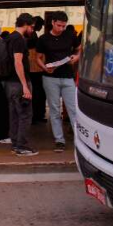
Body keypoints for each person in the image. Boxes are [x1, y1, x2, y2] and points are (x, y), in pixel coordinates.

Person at [36, 11, 81, 152]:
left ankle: (79, 140)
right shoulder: (43, 39)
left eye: (63, 26)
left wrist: (76, 58)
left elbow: (79, 50)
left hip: (68, 77)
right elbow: (38, 57)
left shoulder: (70, 35)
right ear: (53, 23)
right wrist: (44, 67)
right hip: (50, 78)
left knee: (73, 109)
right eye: (59, 25)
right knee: (54, 110)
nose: (61, 28)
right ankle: (59, 140)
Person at [6, 13, 38, 156]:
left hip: (10, 84)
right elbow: (18, 62)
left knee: (14, 115)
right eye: (32, 27)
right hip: (19, 84)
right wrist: (25, 85)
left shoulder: (10, 38)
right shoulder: (19, 40)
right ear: (25, 24)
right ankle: (21, 146)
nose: (32, 30)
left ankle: (15, 143)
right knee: (25, 115)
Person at [29, 16, 47, 124]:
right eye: (40, 25)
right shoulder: (31, 35)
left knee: (38, 93)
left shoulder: (33, 34)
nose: (41, 28)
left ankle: (38, 115)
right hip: (34, 69)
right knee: (37, 94)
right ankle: (36, 116)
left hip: (35, 69)